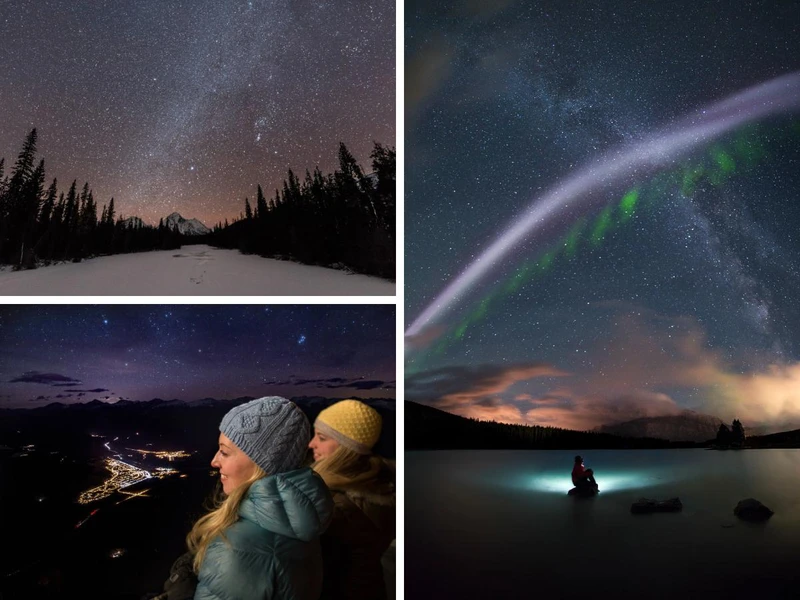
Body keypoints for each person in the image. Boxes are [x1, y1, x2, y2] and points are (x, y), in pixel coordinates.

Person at [185, 396, 334, 600]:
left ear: (261, 464)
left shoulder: (238, 548)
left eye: (224, 452)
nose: (214, 461)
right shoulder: (294, 521)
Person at [309, 399, 395, 600]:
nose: (311, 444)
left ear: (347, 447)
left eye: (322, 437)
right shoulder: (379, 487)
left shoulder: (334, 506)